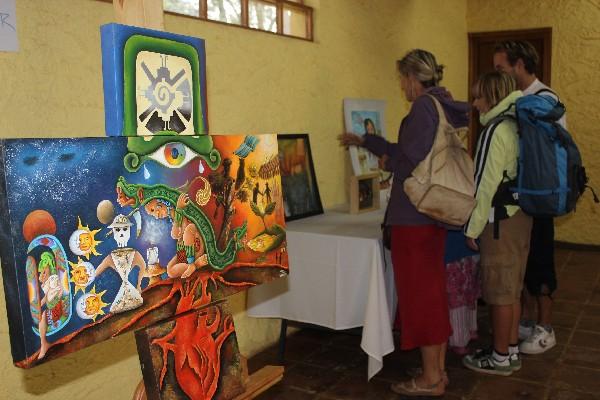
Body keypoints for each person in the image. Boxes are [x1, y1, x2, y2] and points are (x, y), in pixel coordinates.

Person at [339, 49, 469, 397]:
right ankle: (437, 371)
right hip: (430, 217)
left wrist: (387, 157)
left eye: (402, 79)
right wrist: (369, 141)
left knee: (420, 299)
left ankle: (429, 379)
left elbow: (408, 159)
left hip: (413, 219)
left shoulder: (423, 107)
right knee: (432, 294)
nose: (402, 86)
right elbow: (414, 151)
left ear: (413, 77)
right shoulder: (441, 104)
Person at [493, 40, 565, 354]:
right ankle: (523, 320)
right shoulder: (519, 99)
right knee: (520, 259)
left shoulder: (544, 100)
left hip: (540, 193)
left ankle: (545, 327)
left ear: (519, 64)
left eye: (501, 68)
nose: (499, 74)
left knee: (539, 261)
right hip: (519, 193)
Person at [462, 71, 532, 376]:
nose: (475, 103)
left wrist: (471, 229)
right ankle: (511, 348)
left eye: (478, 96)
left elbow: (484, 186)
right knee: (513, 287)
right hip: (521, 215)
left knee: (500, 291)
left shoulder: (495, 129)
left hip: (500, 221)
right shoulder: (518, 122)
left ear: (492, 95)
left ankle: (500, 357)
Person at [144, 193, 208, 278]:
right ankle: (196, 264)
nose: (156, 216)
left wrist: (179, 209)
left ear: (160, 202)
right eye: (152, 215)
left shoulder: (178, 211)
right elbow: (176, 234)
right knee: (170, 271)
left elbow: (177, 233)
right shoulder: (173, 215)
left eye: (153, 210)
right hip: (183, 252)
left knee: (189, 229)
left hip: (194, 249)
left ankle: (192, 263)